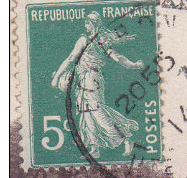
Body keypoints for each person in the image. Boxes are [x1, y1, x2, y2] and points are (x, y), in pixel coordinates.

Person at [50, 12, 145, 157]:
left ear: (93, 24)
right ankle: (94, 148)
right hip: (85, 79)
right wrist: (133, 65)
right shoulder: (97, 40)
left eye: (87, 22)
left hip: (91, 78)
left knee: (95, 110)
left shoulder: (90, 40)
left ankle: (125, 138)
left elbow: (71, 59)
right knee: (85, 112)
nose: (85, 25)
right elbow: (117, 57)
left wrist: (56, 77)